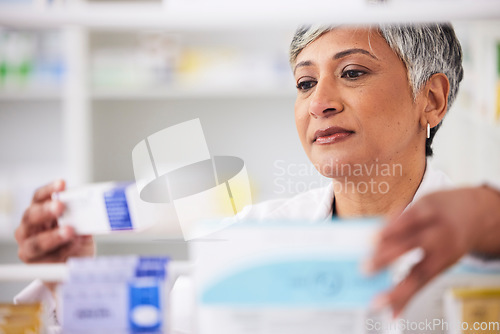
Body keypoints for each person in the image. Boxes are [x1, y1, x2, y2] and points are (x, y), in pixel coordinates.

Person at [14, 23, 500, 331]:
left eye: (351, 72)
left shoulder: (480, 237)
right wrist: (71, 282)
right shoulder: (251, 236)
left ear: (431, 99)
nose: (319, 103)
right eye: (305, 83)